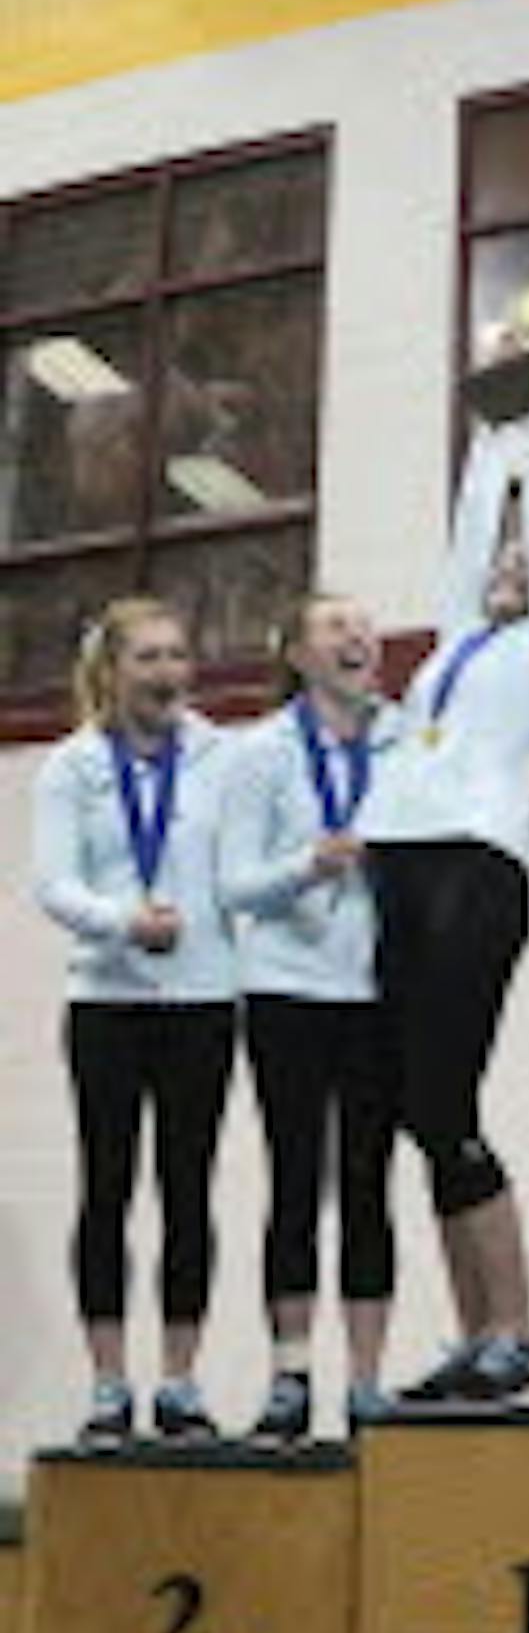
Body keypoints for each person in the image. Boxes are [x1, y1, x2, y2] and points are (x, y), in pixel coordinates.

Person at [356, 345, 529, 1403]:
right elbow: (468, 548)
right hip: (398, 868)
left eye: (524, 568)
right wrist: (485, 451)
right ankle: (478, 1335)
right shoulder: (456, 646)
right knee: (418, 1109)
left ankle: (521, 1327)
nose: (507, 570)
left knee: (443, 1099)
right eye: (502, 564)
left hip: (473, 871)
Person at [32, 597, 237, 1445]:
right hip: (107, 1002)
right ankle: (111, 1384)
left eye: (178, 657)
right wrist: (122, 919)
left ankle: (181, 1382)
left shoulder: (221, 756)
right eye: (148, 658)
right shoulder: (72, 767)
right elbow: (54, 881)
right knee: (107, 1186)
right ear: (111, 671)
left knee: (188, 1189)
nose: (167, 675)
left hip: (202, 1000)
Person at [219, 592, 406, 1437]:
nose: (356, 636)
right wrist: (308, 863)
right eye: (335, 627)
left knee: (369, 1181)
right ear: (296, 653)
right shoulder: (259, 753)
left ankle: (367, 1377)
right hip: (287, 986)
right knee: (297, 1178)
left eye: (363, 626)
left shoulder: (406, 739)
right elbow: (233, 885)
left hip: (376, 990)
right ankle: (291, 1372)